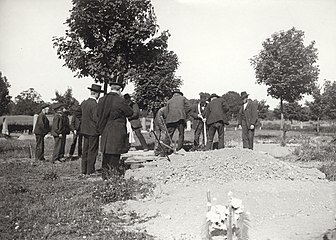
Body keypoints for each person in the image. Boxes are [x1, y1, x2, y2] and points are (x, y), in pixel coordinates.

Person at [97, 75, 133, 179]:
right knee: (115, 154)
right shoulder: (120, 100)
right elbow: (129, 112)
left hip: (105, 129)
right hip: (117, 130)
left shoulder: (102, 100)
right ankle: (113, 176)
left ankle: (105, 175)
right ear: (120, 89)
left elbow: (98, 114)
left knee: (106, 154)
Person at [79, 84, 103, 175]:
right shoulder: (95, 104)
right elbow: (96, 118)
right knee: (92, 151)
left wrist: (83, 122)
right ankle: (90, 170)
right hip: (93, 131)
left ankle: (83, 170)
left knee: (85, 150)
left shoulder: (84, 103)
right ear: (97, 94)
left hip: (84, 130)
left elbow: (77, 113)